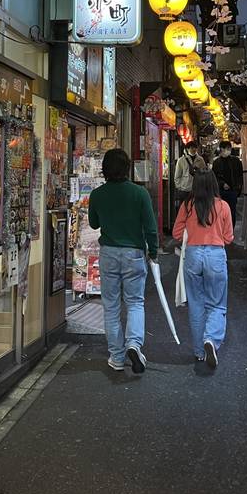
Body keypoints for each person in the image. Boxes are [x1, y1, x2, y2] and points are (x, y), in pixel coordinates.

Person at [88, 148, 158, 375]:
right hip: (134, 254)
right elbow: (150, 227)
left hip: (108, 253)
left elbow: (93, 223)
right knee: (135, 302)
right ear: (127, 168)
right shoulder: (140, 194)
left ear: (105, 169)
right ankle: (134, 345)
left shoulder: (98, 194)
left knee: (111, 307)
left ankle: (117, 357)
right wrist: (154, 251)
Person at [172, 170, 234, 369]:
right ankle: (211, 340)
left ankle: (199, 351)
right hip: (215, 255)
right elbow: (228, 238)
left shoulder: (188, 205)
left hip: (193, 255)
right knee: (216, 304)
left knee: (196, 304)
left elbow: (176, 233)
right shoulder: (223, 206)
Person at [212, 140, 244, 228]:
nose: (228, 151)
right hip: (220, 192)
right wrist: (222, 184)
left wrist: (238, 190)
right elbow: (214, 178)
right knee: (220, 212)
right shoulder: (216, 162)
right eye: (226, 148)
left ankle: (230, 232)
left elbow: (240, 175)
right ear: (221, 149)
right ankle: (221, 230)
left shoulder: (236, 161)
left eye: (229, 149)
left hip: (233, 191)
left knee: (232, 212)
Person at [174, 140, 206, 209]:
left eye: (195, 148)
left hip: (197, 189)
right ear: (187, 149)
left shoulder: (201, 160)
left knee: (196, 209)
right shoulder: (181, 160)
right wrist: (181, 187)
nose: (194, 149)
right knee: (184, 209)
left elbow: (204, 174)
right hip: (185, 190)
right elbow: (177, 176)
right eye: (191, 148)